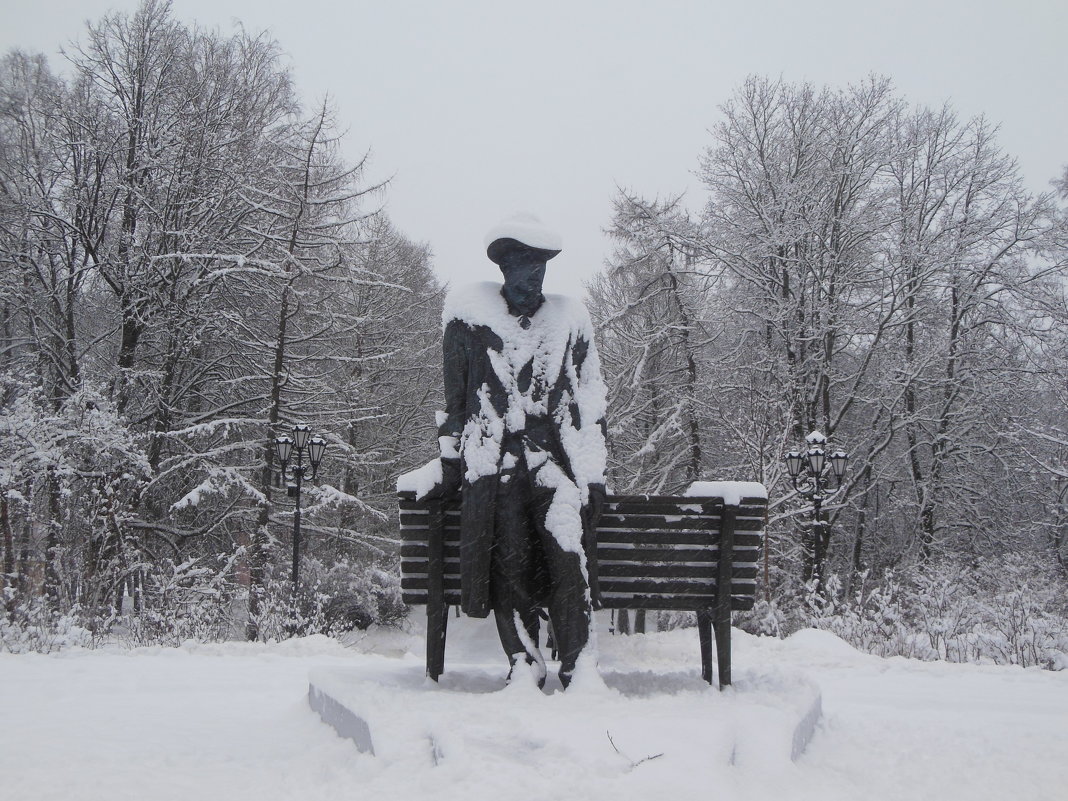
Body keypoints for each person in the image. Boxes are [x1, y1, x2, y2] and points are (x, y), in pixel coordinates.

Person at [426, 213, 608, 688]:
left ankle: (578, 664)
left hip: (556, 465)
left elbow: (591, 400)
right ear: (505, 269)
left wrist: (593, 472)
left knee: (569, 558)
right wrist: (450, 463)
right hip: (500, 465)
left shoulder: (571, 321)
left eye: (541, 265)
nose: (535, 274)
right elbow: (453, 404)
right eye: (526, 265)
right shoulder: (468, 321)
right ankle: (524, 663)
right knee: (510, 564)